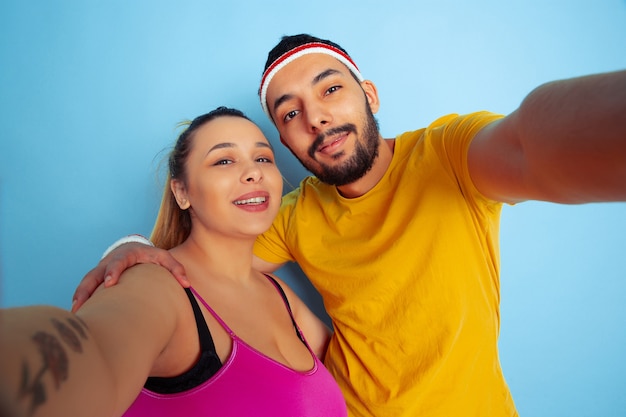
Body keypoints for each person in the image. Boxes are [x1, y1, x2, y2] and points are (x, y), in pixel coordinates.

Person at [72, 34, 626, 417]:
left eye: (330, 88)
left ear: (370, 95)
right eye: (289, 113)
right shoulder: (290, 215)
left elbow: (531, 143)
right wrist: (130, 246)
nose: (315, 117)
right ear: (286, 142)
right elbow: (199, 263)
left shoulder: (449, 156)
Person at [0, 106, 348, 417]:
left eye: (263, 158)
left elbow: (362, 364)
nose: (253, 172)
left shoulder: (282, 296)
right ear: (182, 192)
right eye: (224, 160)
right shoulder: (156, 284)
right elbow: (93, 351)